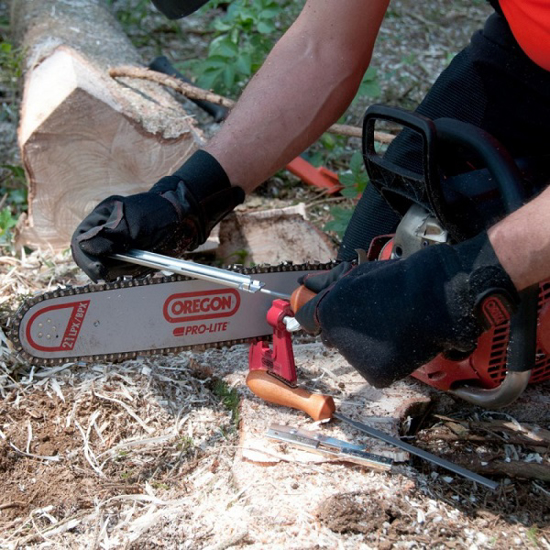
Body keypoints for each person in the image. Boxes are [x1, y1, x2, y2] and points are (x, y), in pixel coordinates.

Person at [71, 0, 550, 388]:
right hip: (530, 55)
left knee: (464, 288)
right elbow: (323, 46)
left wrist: (471, 277)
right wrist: (189, 196)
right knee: (376, 259)